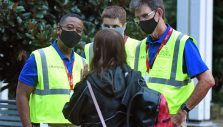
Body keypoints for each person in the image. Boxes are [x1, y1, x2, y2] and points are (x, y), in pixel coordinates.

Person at [129, 0, 215, 126]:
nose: (141, 22)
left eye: (145, 16)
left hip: (170, 121)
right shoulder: (140, 47)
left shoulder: (182, 43)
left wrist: (183, 112)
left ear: (159, 13)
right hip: (143, 120)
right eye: (138, 18)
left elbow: (208, 80)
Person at [63, 29, 173, 127]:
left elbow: (72, 116)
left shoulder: (89, 83)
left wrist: (82, 81)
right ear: (121, 50)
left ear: (97, 50)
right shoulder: (135, 78)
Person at [16, 13, 86, 127]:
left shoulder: (84, 63)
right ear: (59, 29)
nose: (74, 32)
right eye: (69, 27)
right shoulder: (39, 57)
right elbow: (21, 94)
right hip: (45, 124)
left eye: (78, 30)